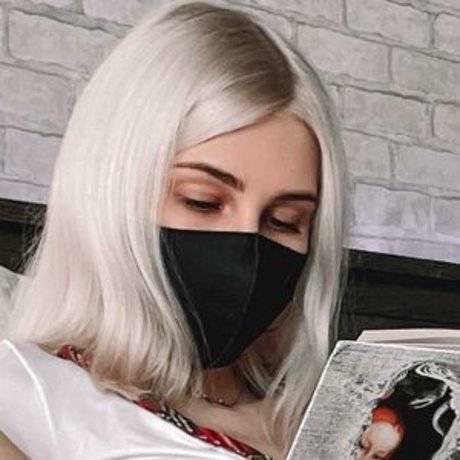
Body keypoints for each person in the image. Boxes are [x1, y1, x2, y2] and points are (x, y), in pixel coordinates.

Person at [0, 1, 349, 459]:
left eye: (284, 221)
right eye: (202, 201)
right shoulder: (25, 391)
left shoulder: (343, 417)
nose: (246, 248)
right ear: (112, 192)